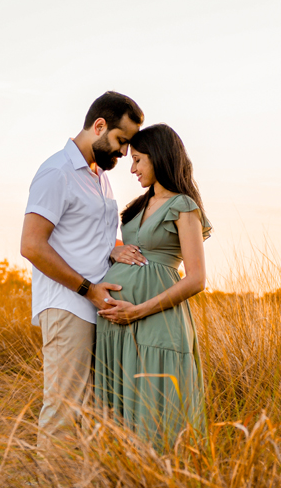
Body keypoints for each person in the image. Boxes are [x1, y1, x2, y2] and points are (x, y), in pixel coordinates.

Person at [20, 91, 147, 448]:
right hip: (68, 305)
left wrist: (117, 252)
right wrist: (87, 289)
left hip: (95, 307)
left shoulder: (99, 176)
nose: (124, 153)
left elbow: (88, 239)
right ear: (99, 126)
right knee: (64, 409)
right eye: (121, 141)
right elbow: (31, 245)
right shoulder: (57, 172)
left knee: (90, 412)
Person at [94, 124, 212, 448]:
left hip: (155, 322)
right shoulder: (137, 207)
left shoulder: (183, 205)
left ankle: (161, 486)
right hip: (116, 326)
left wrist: (139, 311)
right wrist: (113, 249)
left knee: (156, 409)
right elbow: (119, 246)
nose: (132, 169)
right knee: (119, 407)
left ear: (158, 158)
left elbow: (197, 278)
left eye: (138, 160)